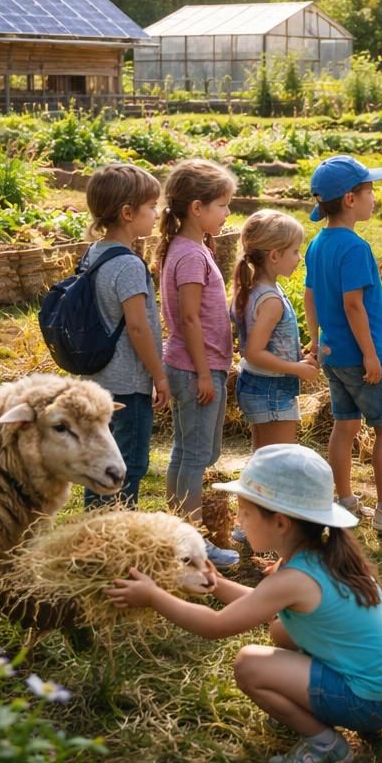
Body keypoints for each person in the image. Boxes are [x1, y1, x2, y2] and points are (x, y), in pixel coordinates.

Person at [105, 443, 382, 763]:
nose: (237, 519)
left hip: (372, 702)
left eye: (245, 512)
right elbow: (263, 606)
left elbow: (215, 626)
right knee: (281, 631)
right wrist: (216, 584)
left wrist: (154, 596)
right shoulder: (320, 554)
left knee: (250, 666)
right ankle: (323, 706)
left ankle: (325, 745)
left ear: (280, 523)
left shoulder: (293, 578)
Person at [302, 155, 382, 532]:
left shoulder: (318, 244)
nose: (374, 197)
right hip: (361, 357)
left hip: (333, 354)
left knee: (345, 425)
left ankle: (343, 500)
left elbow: (310, 297)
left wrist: (314, 340)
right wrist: (371, 354)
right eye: (369, 190)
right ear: (349, 200)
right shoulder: (355, 248)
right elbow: (353, 304)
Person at [157, 158, 240, 569]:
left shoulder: (190, 248)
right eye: (222, 205)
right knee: (194, 456)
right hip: (195, 369)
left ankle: (177, 531)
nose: (227, 213)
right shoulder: (190, 255)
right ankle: (192, 544)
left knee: (189, 451)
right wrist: (206, 372)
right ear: (196, 208)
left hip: (192, 366)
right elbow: (188, 318)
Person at [76, 163, 170, 509]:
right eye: (151, 207)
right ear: (128, 213)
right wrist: (159, 375)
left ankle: (97, 530)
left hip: (97, 380)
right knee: (128, 464)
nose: (157, 214)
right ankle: (118, 534)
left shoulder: (93, 254)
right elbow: (138, 327)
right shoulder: (129, 264)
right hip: (129, 384)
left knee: (100, 462)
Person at [233, 209, 320, 451]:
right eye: (294, 251)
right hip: (271, 389)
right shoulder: (270, 300)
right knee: (278, 463)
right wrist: (296, 369)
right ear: (274, 256)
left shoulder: (255, 289)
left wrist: (297, 356)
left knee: (262, 461)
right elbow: (253, 352)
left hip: (258, 384)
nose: (299, 257)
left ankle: (247, 492)